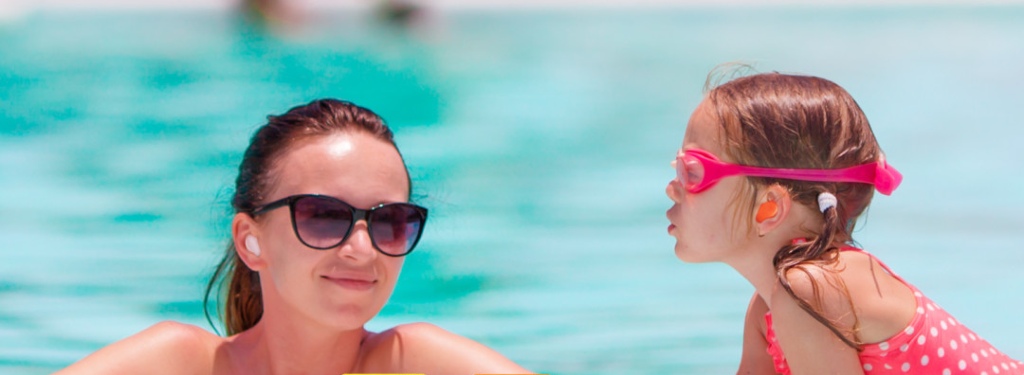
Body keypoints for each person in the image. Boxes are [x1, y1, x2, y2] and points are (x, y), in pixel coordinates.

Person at [56, 99, 533, 374]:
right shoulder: (177, 365)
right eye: (324, 215)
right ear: (251, 240)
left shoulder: (417, 363)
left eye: (390, 221)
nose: (362, 249)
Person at [664, 72, 1023, 374]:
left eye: (692, 172)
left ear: (769, 209)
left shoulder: (811, 290)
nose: (672, 188)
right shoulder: (766, 310)